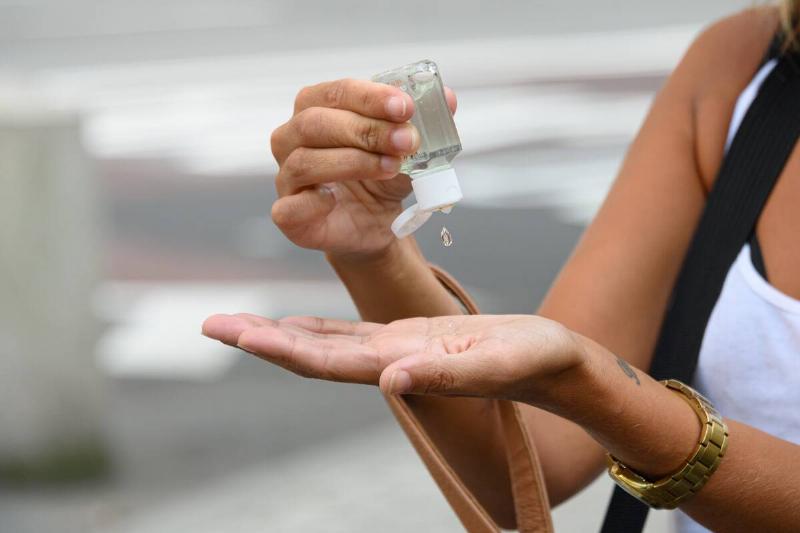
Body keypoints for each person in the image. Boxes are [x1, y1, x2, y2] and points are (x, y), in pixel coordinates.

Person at [202, 5, 800, 531]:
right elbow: (530, 466)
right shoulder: (743, 67)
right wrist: (373, 251)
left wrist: (602, 390)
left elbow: (585, 391)